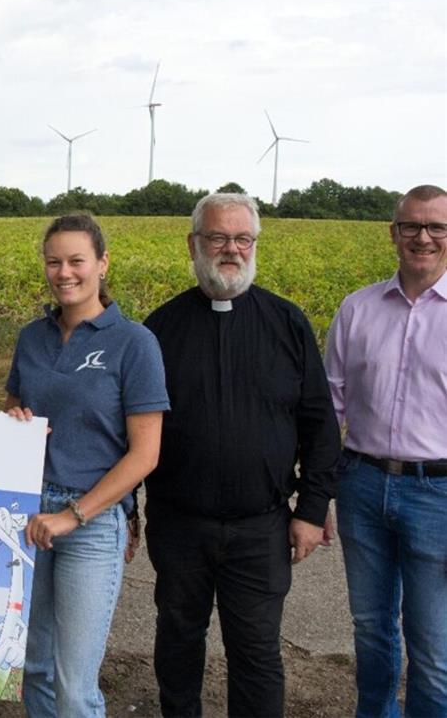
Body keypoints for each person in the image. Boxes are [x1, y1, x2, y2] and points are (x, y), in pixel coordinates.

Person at [142, 192, 341, 717]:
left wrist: (312, 510)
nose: (231, 249)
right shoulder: (157, 330)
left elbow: (320, 424)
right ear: (194, 243)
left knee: (255, 651)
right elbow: (130, 430)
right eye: (218, 238)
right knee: (178, 640)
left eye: (242, 238)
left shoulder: (288, 323)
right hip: (179, 524)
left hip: (262, 526)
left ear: (254, 244)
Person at [5, 213, 168, 717]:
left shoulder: (133, 342)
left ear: (102, 263)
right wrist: (15, 418)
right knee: (35, 668)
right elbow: (14, 405)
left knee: (75, 685)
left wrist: (73, 515)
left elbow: (146, 453)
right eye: (54, 262)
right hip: (29, 514)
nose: (64, 272)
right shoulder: (32, 338)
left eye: (76, 260)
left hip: (92, 522)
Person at [324, 184, 447, 718]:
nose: (423, 237)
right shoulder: (357, 309)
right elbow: (329, 405)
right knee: (371, 629)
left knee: (433, 644)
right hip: (362, 481)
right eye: (411, 226)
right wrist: (317, 496)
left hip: (438, 493)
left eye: (436, 227)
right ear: (392, 233)